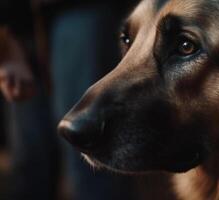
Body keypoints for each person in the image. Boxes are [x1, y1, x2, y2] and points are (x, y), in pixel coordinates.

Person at [0, 1, 136, 199]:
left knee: (93, 168)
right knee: (30, 164)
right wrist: (4, 40)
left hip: (80, 9)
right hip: (20, 24)